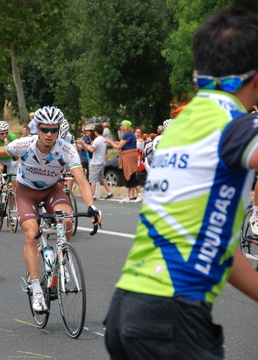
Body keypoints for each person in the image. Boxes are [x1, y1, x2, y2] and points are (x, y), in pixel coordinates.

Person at [104, 8, 258, 359]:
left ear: (196, 73)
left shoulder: (180, 129)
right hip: (170, 315)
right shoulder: (234, 125)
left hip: (128, 308)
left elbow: (218, 247)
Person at [0, 106, 102, 312]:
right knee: (32, 234)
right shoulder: (24, 144)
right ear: (37, 129)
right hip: (26, 192)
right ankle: (35, 288)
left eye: (54, 129)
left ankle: (62, 255)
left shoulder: (67, 149)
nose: (49, 134)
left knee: (67, 219)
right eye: (44, 129)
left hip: (52, 190)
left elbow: (82, 181)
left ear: (59, 129)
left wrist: (92, 206)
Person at [105, 120, 142, 203]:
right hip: (127, 156)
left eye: (121, 125)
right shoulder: (128, 135)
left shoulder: (128, 134)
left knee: (130, 174)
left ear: (125, 126)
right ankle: (127, 196)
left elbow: (118, 147)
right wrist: (114, 142)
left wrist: (110, 142)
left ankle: (140, 193)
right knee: (126, 175)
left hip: (129, 156)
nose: (120, 127)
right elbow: (122, 144)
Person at [77, 125, 113, 200]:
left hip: (96, 162)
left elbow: (92, 150)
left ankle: (92, 195)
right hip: (101, 161)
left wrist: (83, 144)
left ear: (95, 132)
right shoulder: (103, 139)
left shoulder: (97, 140)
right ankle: (109, 192)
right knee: (101, 178)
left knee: (92, 179)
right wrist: (86, 145)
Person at [0, 121, 18, 203]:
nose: (5, 135)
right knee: (0, 169)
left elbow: (18, 153)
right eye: (2, 134)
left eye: (6, 133)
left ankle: (10, 213)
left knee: (13, 186)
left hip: (8, 160)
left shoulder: (12, 137)